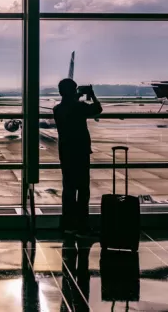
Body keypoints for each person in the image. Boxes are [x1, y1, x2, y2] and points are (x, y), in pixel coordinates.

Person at [53, 78, 102, 237]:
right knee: (82, 191)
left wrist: (76, 95)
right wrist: (91, 94)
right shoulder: (80, 107)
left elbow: (69, 105)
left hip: (66, 153)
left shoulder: (57, 109)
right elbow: (98, 109)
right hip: (81, 152)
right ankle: (82, 226)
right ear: (73, 91)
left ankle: (68, 225)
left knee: (68, 190)